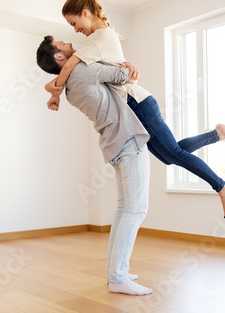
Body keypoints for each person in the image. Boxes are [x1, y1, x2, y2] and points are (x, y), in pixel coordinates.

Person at [43, 0, 225, 218]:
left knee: (173, 154)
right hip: (134, 104)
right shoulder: (100, 38)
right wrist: (53, 87)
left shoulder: (99, 37)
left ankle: (221, 185)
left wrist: (55, 92)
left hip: (137, 102)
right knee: (170, 156)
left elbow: (71, 65)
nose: (74, 30)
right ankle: (216, 134)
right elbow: (96, 70)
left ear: (85, 13)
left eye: (74, 23)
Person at [36, 44, 153, 295]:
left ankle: (117, 273)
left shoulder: (67, 88)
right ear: (59, 56)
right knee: (135, 209)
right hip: (128, 140)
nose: (69, 43)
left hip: (114, 144)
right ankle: (119, 277)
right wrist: (127, 64)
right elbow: (123, 75)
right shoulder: (80, 72)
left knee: (124, 209)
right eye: (62, 44)